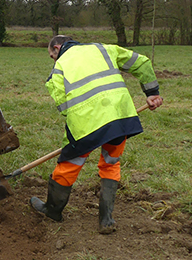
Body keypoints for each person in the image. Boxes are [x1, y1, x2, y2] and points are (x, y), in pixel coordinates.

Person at [30, 35, 163, 234]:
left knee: (69, 164)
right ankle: (106, 219)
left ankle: (53, 210)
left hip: (86, 126)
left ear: (57, 48)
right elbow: (141, 62)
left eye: (52, 56)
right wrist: (152, 93)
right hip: (120, 118)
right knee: (111, 163)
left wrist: (77, 126)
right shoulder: (104, 49)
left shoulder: (60, 67)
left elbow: (64, 105)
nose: (54, 60)